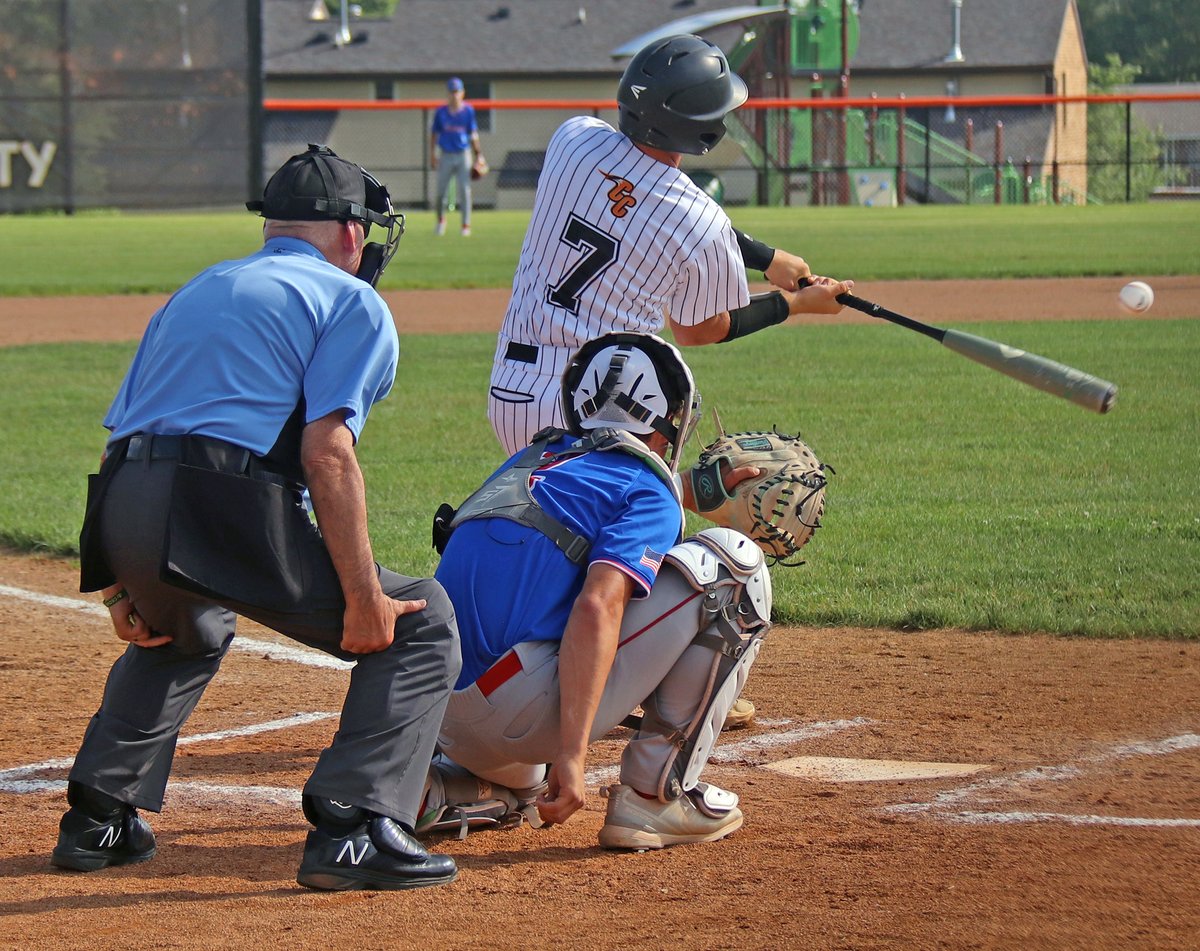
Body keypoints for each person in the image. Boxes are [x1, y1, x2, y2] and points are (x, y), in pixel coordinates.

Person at [54, 144, 461, 892]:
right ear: (349, 233)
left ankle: (98, 815)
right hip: (216, 498)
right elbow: (327, 454)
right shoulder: (352, 300)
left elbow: (121, 437)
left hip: (123, 496)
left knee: (189, 625)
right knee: (422, 618)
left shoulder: (200, 287)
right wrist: (366, 596)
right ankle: (354, 826)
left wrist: (120, 585)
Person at [420, 332, 773, 850]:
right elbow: (598, 605)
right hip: (522, 718)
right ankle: (657, 797)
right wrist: (572, 753)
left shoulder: (531, 463)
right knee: (734, 567)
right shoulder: (644, 487)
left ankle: (450, 783)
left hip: (441, 714)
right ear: (662, 423)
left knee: (524, 762)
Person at [486, 33, 854, 456]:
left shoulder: (573, 139)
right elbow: (696, 329)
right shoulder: (702, 222)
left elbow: (646, 206)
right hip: (599, 407)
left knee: (545, 516)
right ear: (705, 129)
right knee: (637, 519)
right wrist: (793, 304)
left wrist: (767, 258)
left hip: (509, 392)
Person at [430, 76, 484, 237]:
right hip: (445, 154)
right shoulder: (441, 112)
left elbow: (473, 134)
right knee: (440, 192)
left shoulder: (468, 111)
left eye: (457, 91)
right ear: (448, 93)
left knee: (465, 191)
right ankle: (441, 221)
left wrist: (479, 155)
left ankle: (465, 225)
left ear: (462, 93)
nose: (454, 94)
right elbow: (434, 134)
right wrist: (432, 155)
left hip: (463, 154)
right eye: (452, 91)